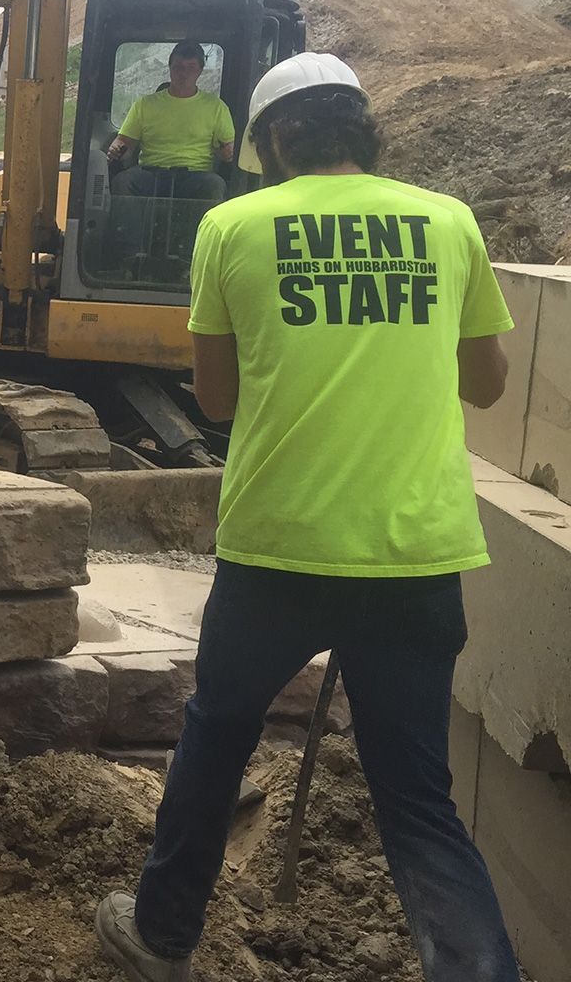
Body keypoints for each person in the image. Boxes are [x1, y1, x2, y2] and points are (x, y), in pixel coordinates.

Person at [95, 53, 520, 981]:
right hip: (414, 551)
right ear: (363, 130)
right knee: (417, 798)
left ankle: (163, 936)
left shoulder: (232, 226)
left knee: (218, 734)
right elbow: (487, 385)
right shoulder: (447, 223)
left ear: (275, 140)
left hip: (279, 547)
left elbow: (213, 400)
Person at [105, 39, 236, 204]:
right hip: (151, 174)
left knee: (214, 185)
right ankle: (128, 230)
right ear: (170, 68)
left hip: (196, 176)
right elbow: (125, 143)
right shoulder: (144, 105)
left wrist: (227, 153)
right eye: (178, 67)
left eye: (191, 68)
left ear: (200, 71)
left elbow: (225, 149)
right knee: (123, 182)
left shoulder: (216, 107)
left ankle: (203, 230)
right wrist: (117, 149)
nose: (184, 73)